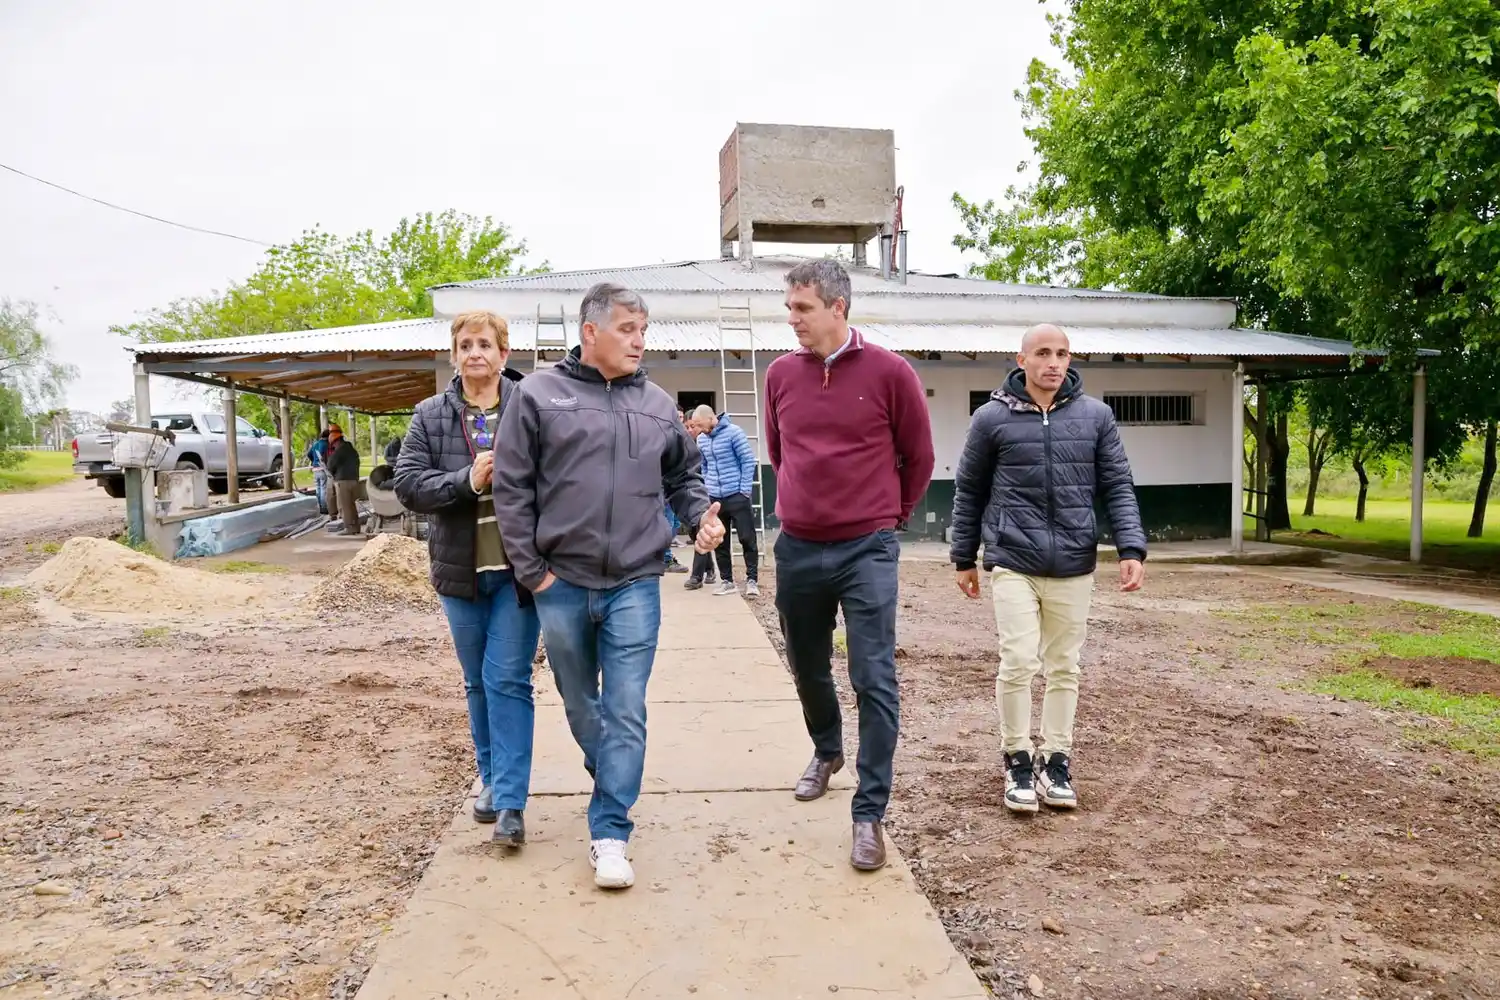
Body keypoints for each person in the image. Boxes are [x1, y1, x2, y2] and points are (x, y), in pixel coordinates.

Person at [493, 282, 725, 890]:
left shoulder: (656, 404)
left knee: (625, 707)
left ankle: (611, 830)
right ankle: (612, 771)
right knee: (580, 704)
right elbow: (511, 490)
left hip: (635, 581)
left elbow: (682, 475)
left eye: (644, 330)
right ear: (590, 332)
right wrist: (533, 573)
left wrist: (702, 515)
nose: (639, 341)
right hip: (560, 581)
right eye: (628, 329)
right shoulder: (538, 395)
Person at [764, 259, 935, 872]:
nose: (793, 320)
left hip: (867, 547)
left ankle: (869, 814)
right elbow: (780, 452)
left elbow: (918, 456)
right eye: (790, 308)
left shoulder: (891, 373)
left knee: (873, 676)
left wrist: (890, 517)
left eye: (802, 309)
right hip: (800, 546)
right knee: (807, 664)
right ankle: (827, 748)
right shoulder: (781, 374)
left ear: (838, 307)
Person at [949, 323, 1147, 815]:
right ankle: (1017, 760)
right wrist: (963, 555)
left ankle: (1056, 760)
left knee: (1064, 667)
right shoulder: (990, 419)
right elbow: (969, 489)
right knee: (1018, 660)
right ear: (1022, 360)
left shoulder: (1096, 417)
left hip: (1075, 563)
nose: (1053, 362)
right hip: (1013, 559)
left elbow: (1118, 486)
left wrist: (1131, 548)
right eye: (1042, 353)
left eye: (1061, 353)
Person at [394, 310, 542, 847]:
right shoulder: (431, 415)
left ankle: (510, 802)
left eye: (485, 343)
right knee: (478, 680)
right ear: (454, 354)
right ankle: (490, 776)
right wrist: (465, 479)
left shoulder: (532, 408)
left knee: (508, 679)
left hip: (518, 574)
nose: (475, 352)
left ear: (505, 353)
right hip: (461, 574)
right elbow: (408, 483)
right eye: (465, 344)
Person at [687, 404, 759, 598]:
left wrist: (744, 490)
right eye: (698, 426)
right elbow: (705, 465)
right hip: (715, 497)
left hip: (737, 494)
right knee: (720, 541)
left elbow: (747, 460)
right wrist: (708, 488)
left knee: (747, 538)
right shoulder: (702, 439)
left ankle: (752, 580)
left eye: (702, 425)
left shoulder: (734, 433)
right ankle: (727, 581)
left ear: (712, 418)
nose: (700, 430)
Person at [325, 424, 362, 535]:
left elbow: (330, 465)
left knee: (344, 506)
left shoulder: (339, 451)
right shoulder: (351, 450)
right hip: (354, 480)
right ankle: (356, 526)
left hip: (343, 481)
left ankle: (349, 528)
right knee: (352, 505)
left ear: (336, 441)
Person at [307, 429, 330, 514]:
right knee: (323, 488)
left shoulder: (315, 443)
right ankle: (324, 508)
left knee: (318, 488)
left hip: (315, 469)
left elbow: (308, 454)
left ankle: (319, 506)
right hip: (322, 468)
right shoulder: (326, 444)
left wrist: (314, 461)